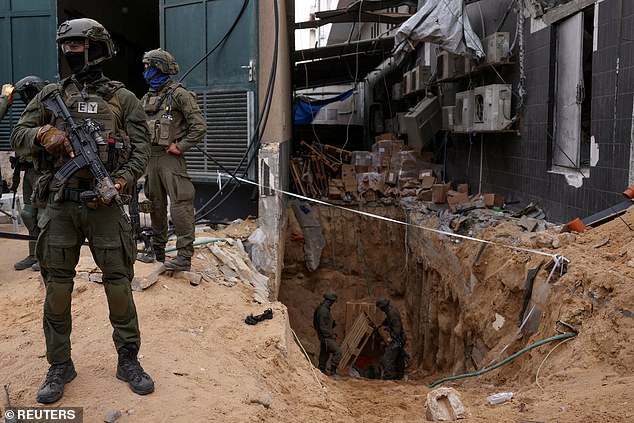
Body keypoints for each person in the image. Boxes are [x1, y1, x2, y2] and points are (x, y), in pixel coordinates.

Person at [11, 18, 154, 404]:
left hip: (105, 205)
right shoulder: (50, 96)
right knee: (57, 287)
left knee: (119, 284)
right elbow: (17, 135)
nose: (70, 52)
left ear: (97, 49)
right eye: (66, 46)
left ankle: (128, 360)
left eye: (77, 45)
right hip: (61, 204)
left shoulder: (123, 99)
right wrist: (44, 134)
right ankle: (60, 365)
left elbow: (142, 151)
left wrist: (121, 182)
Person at [139, 48, 205, 270]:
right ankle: (158, 252)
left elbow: (199, 126)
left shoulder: (179, 95)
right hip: (151, 159)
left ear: (159, 67)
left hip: (170, 158)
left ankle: (184, 257)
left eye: (149, 66)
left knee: (180, 206)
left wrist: (182, 146)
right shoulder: (146, 98)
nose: (145, 71)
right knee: (155, 206)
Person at [12, 76, 47, 271]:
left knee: (43, 216)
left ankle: (44, 256)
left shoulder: (48, 112)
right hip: (28, 171)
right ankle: (33, 254)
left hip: (43, 171)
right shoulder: (28, 114)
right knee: (27, 214)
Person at [376, 298, 407, 380]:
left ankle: (389, 377)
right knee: (398, 358)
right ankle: (399, 376)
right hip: (399, 338)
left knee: (387, 358)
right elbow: (388, 320)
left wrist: (392, 337)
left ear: (383, 307)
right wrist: (382, 324)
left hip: (397, 339)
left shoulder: (392, 313)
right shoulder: (390, 311)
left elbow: (397, 328)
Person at [313, 292, 342, 377]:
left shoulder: (321, 309)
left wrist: (332, 324)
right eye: (333, 302)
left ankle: (321, 370)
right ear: (330, 301)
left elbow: (320, 324)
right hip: (326, 337)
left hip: (323, 336)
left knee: (324, 353)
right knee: (337, 352)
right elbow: (322, 326)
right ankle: (333, 372)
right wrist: (330, 335)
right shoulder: (323, 311)